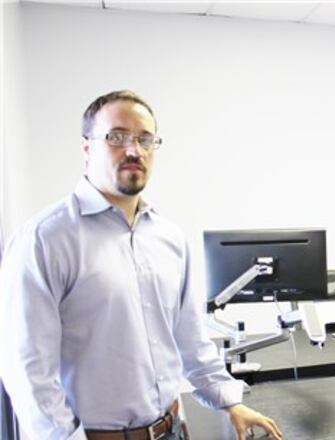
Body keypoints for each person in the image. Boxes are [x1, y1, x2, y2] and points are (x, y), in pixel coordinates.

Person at [0, 90, 283, 440]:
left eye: (145, 139)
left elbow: (189, 338)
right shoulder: (44, 239)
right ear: (87, 147)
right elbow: (27, 371)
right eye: (116, 137)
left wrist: (229, 402)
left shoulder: (169, 238)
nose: (134, 150)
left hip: (171, 430)